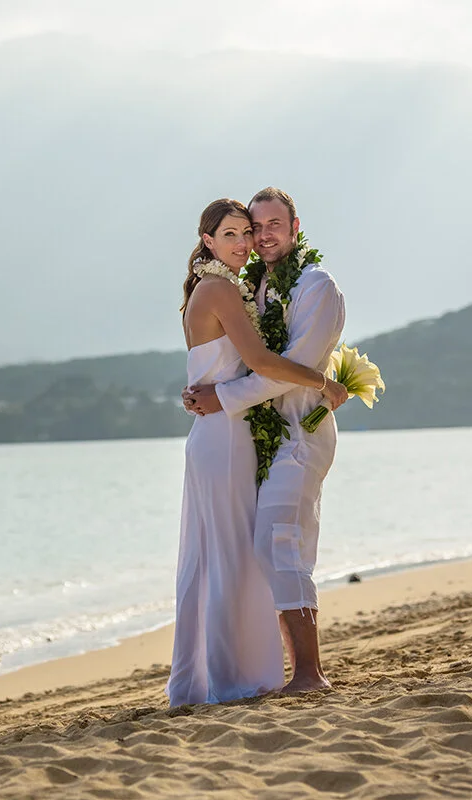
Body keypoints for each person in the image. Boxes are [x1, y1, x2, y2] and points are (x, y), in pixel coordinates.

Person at [168, 198, 347, 707]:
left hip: (236, 434)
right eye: (234, 233)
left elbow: (244, 367)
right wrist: (321, 381)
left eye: (253, 230)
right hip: (223, 438)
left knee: (232, 555)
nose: (248, 241)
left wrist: (215, 393)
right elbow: (263, 360)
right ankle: (224, 678)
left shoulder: (296, 286)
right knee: (227, 557)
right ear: (207, 241)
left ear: (294, 228)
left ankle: (229, 674)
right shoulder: (223, 288)